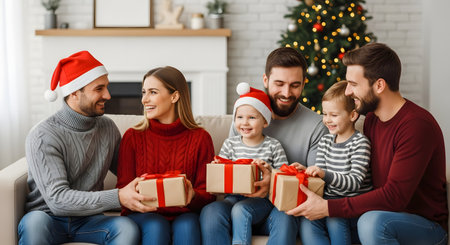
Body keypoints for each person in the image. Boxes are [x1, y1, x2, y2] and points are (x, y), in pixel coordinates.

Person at [288, 43, 448, 245]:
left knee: (372, 223)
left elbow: (395, 197)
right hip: (377, 215)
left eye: (353, 84)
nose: (347, 92)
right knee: (311, 219)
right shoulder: (372, 119)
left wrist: (328, 207)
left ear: (379, 85)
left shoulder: (415, 126)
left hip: (423, 226)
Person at [18, 50, 148, 245]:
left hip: (89, 220)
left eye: (107, 87)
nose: (108, 95)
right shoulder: (43, 135)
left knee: (125, 228)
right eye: (99, 89)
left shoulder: (108, 128)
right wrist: (118, 197)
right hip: (47, 217)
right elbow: (58, 200)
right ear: (74, 93)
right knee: (34, 224)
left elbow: (130, 171)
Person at [200, 47, 328, 245]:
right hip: (237, 204)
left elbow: (315, 186)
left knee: (285, 216)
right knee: (211, 212)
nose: (286, 93)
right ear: (266, 80)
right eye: (279, 84)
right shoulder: (245, 115)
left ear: (304, 83)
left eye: (295, 85)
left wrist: (273, 185)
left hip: (277, 209)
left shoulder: (317, 126)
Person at [116, 66, 216, 245]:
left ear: (174, 96)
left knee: (187, 226)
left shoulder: (200, 138)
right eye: (144, 92)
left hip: (185, 214)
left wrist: (192, 195)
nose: (144, 99)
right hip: (144, 215)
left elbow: (208, 194)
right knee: (156, 225)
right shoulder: (133, 137)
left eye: (153, 92)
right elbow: (123, 189)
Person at [209, 82, 289, 245]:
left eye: (252, 117)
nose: (244, 123)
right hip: (233, 197)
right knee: (232, 207)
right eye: (239, 117)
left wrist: (269, 170)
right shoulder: (230, 144)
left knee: (241, 210)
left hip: (262, 200)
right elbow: (221, 175)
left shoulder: (273, 145)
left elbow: (284, 177)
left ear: (265, 121)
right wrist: (219, 166)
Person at [299, 81, 372, 245]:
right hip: (328, 203)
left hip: (351, 208)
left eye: (334, 115)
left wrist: (324, 173)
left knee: (334, 220)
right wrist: (307, 171)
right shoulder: (325, 141)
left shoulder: (360, 143)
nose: (327, 120)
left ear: (353, 115)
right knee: (307, 220)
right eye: (325, 114)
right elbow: (321, 177)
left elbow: (354, 183)